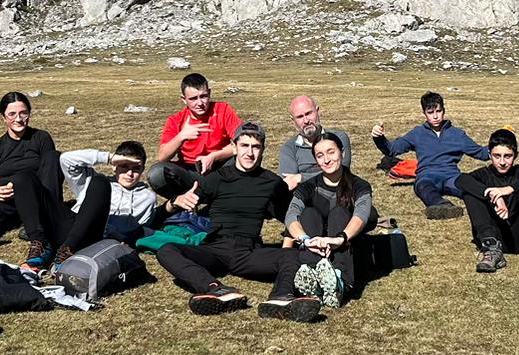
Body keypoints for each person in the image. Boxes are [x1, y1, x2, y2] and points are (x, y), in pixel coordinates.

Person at [152, 123, 320, 322]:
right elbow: (161, 216)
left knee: (291, 256)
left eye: (255, 147)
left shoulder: (272, 183)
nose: (250, 153)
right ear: (234, 147)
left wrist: (307, 239)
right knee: (167, 250)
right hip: (215, 249)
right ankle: (215, 289)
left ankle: (281, 297)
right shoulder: (217, 178)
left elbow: (291, 217)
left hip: (248, 252)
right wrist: (174, 202)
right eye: (244, 146)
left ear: (263, 149)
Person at [0, 92, 104, 272]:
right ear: (3, 117)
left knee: (53, 157)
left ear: (29, 113)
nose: (18, 119)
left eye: (23, 113)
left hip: (38, 198)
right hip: (9, 201)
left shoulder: (41, 138)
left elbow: (51, 171)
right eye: (12, 114)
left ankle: (45, 228)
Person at [286, 131, 374, 307]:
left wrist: (339, 239)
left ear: (343, 153)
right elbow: (291, 215)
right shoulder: (308, 187)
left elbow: (362, 214)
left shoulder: (360, 186)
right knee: (308, 213)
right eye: (320, 155)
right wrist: (306, 240)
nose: (326, 159)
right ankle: (311, 276)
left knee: (339, 212)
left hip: (346, 247)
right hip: (316, 246)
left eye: (331, 152)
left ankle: (339, 282)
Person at [371, 91, 489, 219]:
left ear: (444, 110)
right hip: (427, 176)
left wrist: (499, 145)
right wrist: (379, 138)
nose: (435, 116)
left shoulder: (457, 134)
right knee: (423, 187)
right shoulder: (417, 134)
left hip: (452, 176)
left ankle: (493, 201)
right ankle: (443, 206)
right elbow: (392, 150)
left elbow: (481, 153)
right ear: (424, 113)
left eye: (438, 111)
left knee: (470, 189)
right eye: (430, 112)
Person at [455, 128, 519, 274]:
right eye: (497, 156)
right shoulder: (483, 175)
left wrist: (509, 189)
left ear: (516, 155)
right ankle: (491, 249)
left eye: (507, 156)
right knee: (471, 192)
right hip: (495, 236)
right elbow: (461, 180)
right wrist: (493, 195)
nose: (502, 162)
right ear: (489, 155)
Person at [146, 72, 242, 203]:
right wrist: (181, 137)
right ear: (184, 99)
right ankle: (183, 203)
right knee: (157, 173)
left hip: (221, 168)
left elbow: (242, 142)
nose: (200, 103)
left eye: (203, 96)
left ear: (209, 93)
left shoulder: (222, 110)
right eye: (193, 99)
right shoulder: (176, 120)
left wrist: (214, 156)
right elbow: (162, 157)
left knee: (248, 153)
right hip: (190, 172)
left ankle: (228, 199)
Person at [59, 140, 159, 243]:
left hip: (103, 243)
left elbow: (138, 231)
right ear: (114, 165)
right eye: (124, 166)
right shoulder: (92, 182)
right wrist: (108, 158)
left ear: (142, 169)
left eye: (136, 168)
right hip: (73, 231)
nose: (130, 173)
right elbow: (66, 159)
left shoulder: (147, 198)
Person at [277, 94, 352, 190]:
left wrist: (300, 177)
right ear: (293, 121)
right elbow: (289, 183)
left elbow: (342, 173)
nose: (306, 121)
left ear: (317, 111)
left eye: (308, 113)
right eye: (300, 117)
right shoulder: (289, 148)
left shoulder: (339, 138)